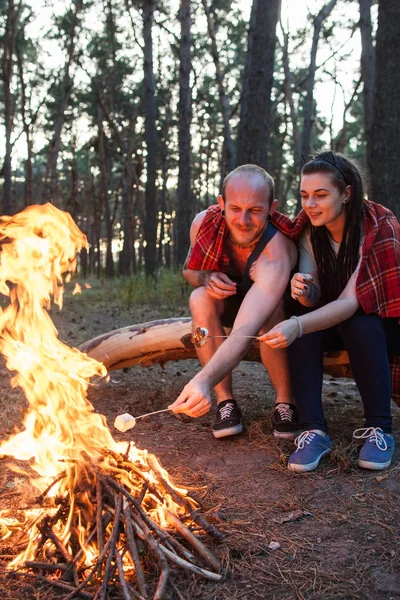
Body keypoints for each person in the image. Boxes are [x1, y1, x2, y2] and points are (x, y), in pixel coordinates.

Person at [260, 151, 400, 473]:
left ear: (347, 193)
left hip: (385, 325)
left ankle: (380, 428)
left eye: (321, 195)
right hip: (339, 317)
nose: (310, 204)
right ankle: (314, 430)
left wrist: (296, 325)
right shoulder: (312, 230)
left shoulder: (377, 226)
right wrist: (305, 289)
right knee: (300, 316)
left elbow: (352, 302)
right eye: (305, 195)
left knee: (357, 323)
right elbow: (317, 296)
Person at [169, 164, 298, 439]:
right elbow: (189, 271)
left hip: (271, 313)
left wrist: (199, 381)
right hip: (226, 304)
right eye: (235, 209)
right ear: (221, 204)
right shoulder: (204, 223)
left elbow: (244, 330)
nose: (243, 220)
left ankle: (285, 402)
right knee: (199, 298)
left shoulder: (277, 249)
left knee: (272, 311)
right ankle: (225, 402)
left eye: (255, 210)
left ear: (271, 208)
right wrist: (205, 278)